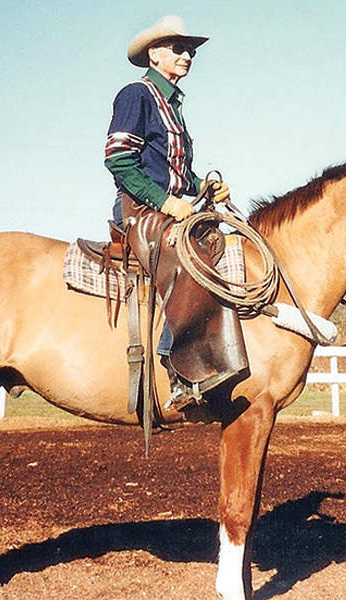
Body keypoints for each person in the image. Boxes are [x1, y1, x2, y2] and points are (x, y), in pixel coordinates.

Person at [104, 16, 249, 406]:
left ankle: (217, 356)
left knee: (218, 241)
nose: (188, 55)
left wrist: (203, 186)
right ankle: (179, 371)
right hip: (139, 211)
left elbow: (175, 171)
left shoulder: (173, 105)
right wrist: (167, 203)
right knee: (190, 254)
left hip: (169, 208)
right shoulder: (137, 95)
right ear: (155, 54)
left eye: (191, 50)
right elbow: (119, 160)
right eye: (178, 48)